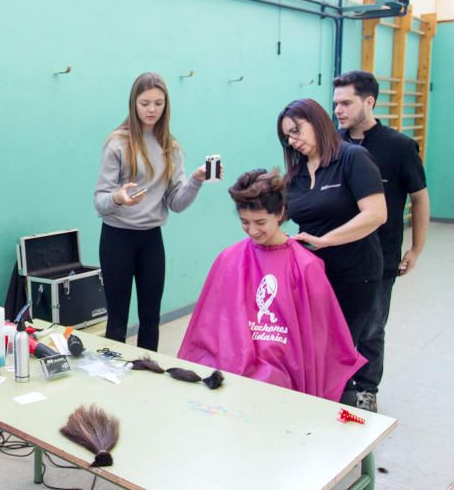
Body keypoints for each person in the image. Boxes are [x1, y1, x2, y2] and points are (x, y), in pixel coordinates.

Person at [178, 169, 366, 401]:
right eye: (244, 222)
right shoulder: (229, 259)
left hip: (284, 376)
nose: (253, 230)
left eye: (260, 222)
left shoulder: (305, 266)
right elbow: (210, 330)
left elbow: (317, 341)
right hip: (234, 368)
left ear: (280, 213)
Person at [277, 99, 387, 411]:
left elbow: (376, 214)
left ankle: (349, 414)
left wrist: (326, 240)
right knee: (313, 348)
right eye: (287, 137)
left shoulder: (352, 158)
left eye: (297, 131)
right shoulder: (297, 172)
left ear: (317, 121)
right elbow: (281, 213)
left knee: (339, 351)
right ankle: (322, 410)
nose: (293, 140)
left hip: (355, 273)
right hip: (313, 275)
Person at [94, 72, 215, 349]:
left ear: (166, 105)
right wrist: (118, 198)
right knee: (117, 321)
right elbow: (99, 201)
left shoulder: (170, 147)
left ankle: (149, 378)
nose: (152, 110)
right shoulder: (117, 143)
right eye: (145, 103)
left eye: (158, 103)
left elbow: (176, 203)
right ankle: (114, 382)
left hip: (151, 240)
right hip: (117, 238)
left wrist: (196, 180)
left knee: (151, 318)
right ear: (133, 104)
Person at [333, 70, 430, 401]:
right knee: (334, 328)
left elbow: (419, 198)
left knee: (371, 330)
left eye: (346, 103)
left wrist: (416, 249)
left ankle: (366, 390)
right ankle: (336, 387)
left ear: (369, 101)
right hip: (334, 255)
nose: (339, 111)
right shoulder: (332, 143)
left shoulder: (399, 147)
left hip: (380, 258)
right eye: (336, 104)